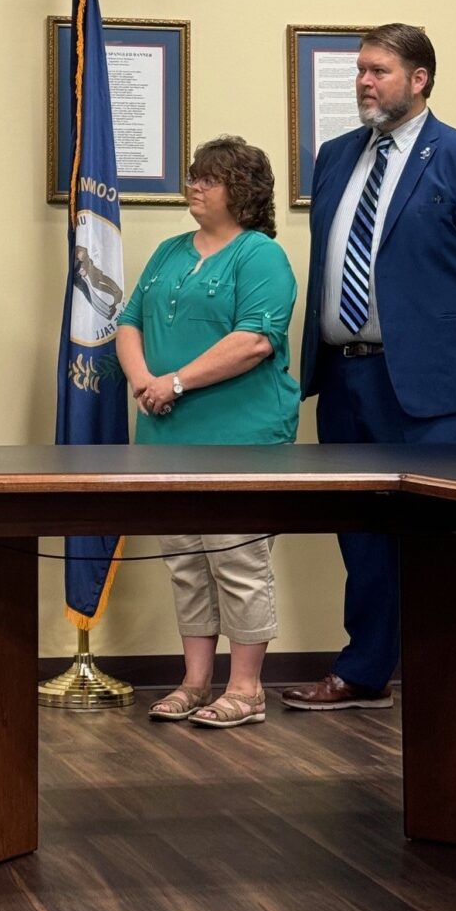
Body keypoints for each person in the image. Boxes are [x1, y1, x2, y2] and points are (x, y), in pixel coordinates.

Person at [282, 23, 456, 712]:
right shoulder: (336, 156)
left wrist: (450, 341)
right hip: (345, 377)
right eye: (360, 69)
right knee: (361, 536)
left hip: (429, 385)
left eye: (379, 70)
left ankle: (450, 682)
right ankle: (364, 672)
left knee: (430, 535)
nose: (364, 81)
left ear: (419, 80)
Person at [116, 137, 300, 730]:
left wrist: (174, 382)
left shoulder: (260, 255)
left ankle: (246, 689)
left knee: (238, 560)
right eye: (193, 175)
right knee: (186, 563)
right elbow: (129, 321)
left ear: (241, 192)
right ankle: (195, 682)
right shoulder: (170, 250)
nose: (193, 186)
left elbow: (255, 340)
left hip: (241, 437)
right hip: (167, 434)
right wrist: (144, 381)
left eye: (208, 179)